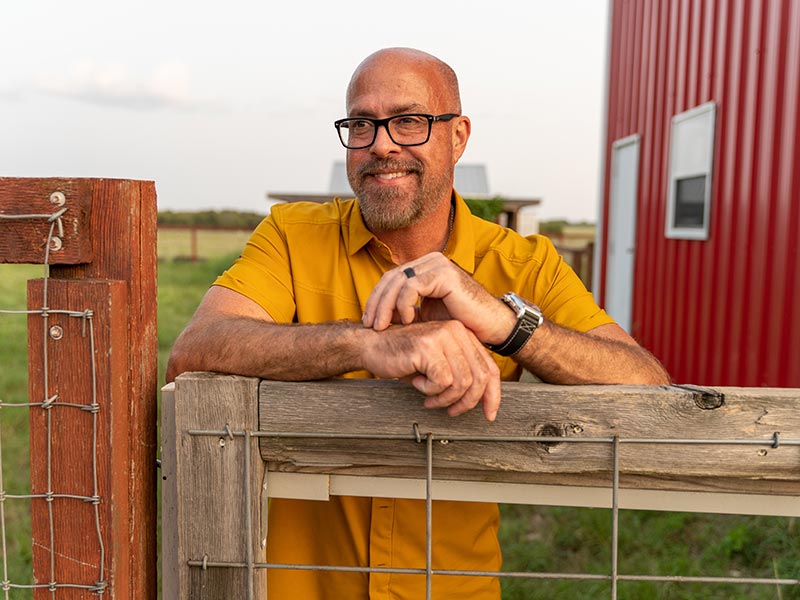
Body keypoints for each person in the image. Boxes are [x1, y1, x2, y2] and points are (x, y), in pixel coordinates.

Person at [167, 47, 670, 600]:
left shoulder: (525, 263)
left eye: (408, 121)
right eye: (362, 124)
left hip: (452, 586)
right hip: (300, 585)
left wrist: (506, 325)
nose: (382, 143)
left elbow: (647, 382)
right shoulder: (293, 235)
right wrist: (364, 345)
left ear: (458, 136)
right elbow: (197, 346)